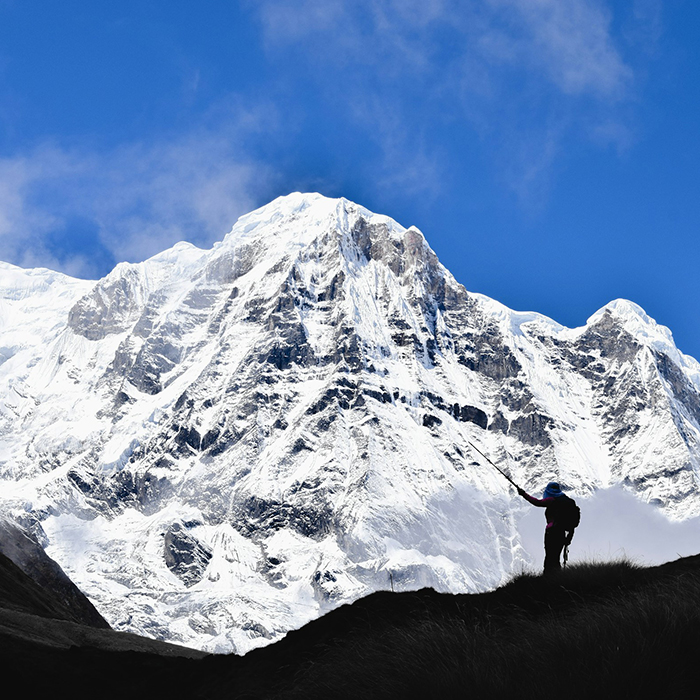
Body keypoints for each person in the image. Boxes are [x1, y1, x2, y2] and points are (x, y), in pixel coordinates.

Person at [517, 482, 578, 574]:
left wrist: (523, 494)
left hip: (552, 532)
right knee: (556, 556)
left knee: (549, 556)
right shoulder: (568, 501)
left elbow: (537, 502)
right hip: (562, 533)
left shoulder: (552, 500)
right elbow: (572, 522)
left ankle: (548, 578)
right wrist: (569, 538)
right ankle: (557, 577)